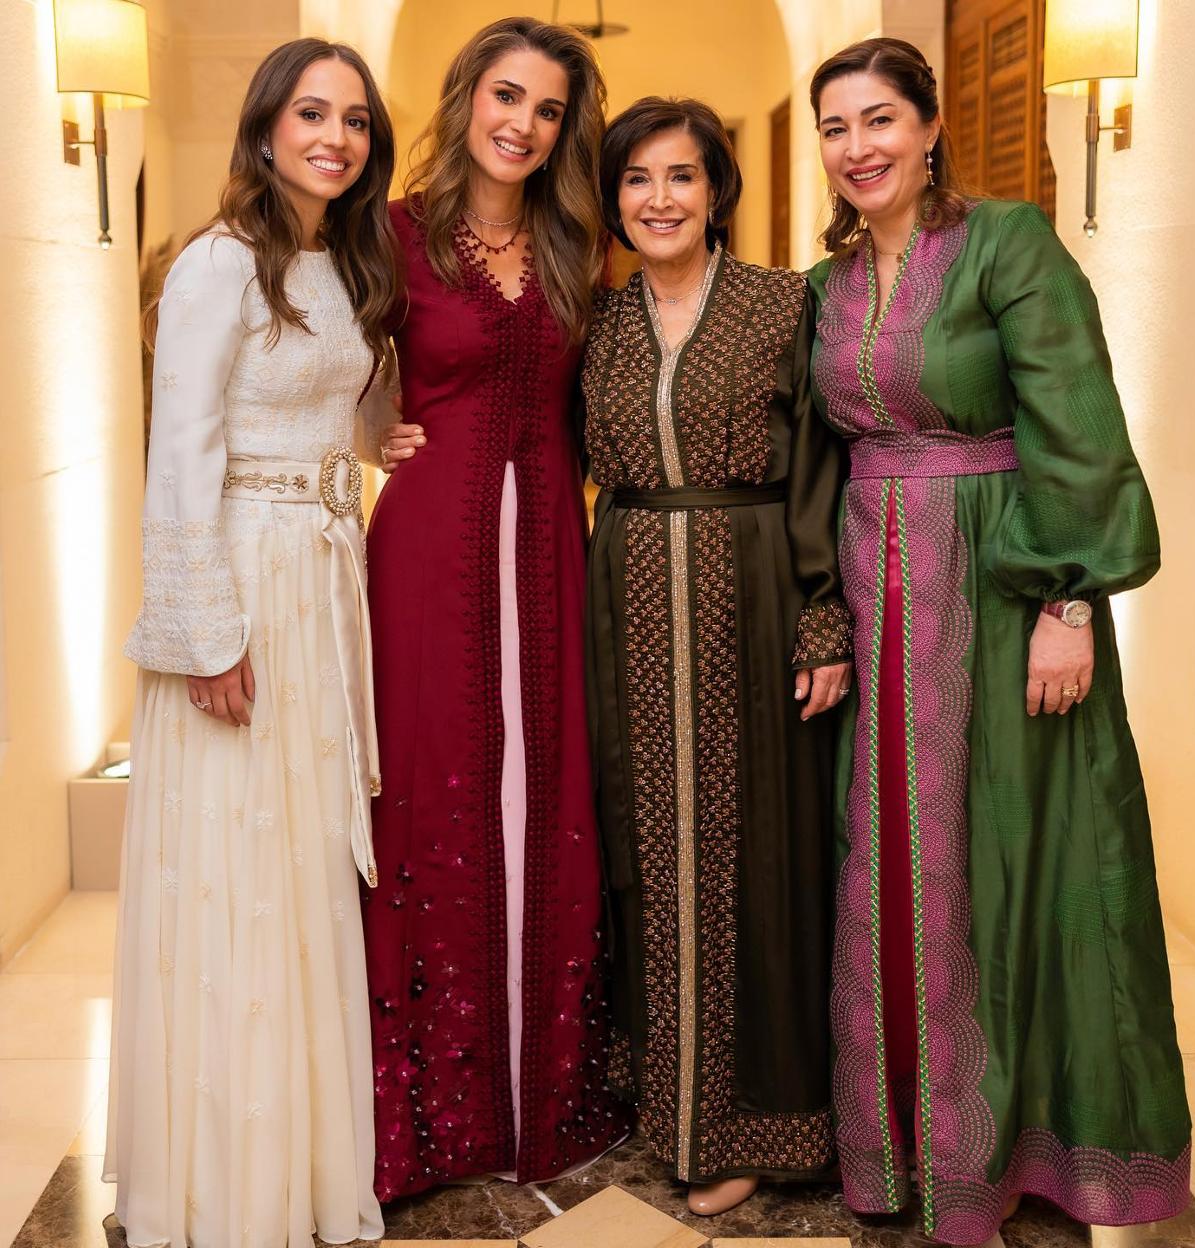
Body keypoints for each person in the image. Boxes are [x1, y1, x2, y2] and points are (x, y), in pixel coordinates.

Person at [806, 37, 1191, 1248]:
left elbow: (1075, 420)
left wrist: (1069, 602)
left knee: (1020, 864)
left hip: (1002, 589)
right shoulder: (823, 287)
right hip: (878, 595)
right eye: (836, 127)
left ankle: (1017, 1152)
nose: (859, 146)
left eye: (880, 120)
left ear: (929, 128)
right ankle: (899, 1147)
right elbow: (816, 459)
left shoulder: (1008, 241)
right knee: (889, 862)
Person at [107, 38, 400, 1248]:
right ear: (266, 126)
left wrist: (386, 447)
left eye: (355, 119)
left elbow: (348, 404)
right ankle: (225, 1178)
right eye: (312, 113)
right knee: (235, 871)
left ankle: (306, 1157)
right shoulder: (219, 263)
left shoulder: (345, 261)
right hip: (242, 588)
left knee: (301, 874)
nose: (335, 136)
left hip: (328, 580)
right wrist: (203, 634)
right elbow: (178, 454)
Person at [361, 18, 621, 1200]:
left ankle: (544, 1095)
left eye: (550, 108)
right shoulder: (391, 232)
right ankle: (437, 1114)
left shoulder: (576, 246)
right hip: (426, 552)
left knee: (543, 789)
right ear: (468, 95)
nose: (522, 122)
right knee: (431, 785)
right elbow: (312, 369)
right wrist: (363, 439)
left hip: (550, 557)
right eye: (506, 94)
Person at [579, 96, 852, 1216]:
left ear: (717, 190)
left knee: (758, 853)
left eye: (681, 177)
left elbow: (825, 470)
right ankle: (667, 1105)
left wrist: (823, 614)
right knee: (648, 853)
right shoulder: (594, 322)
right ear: (613, 201)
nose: (659, 200)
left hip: (753, 596)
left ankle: (763, 1121)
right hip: (628, 595)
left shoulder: (785, 305)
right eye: (637, 181)